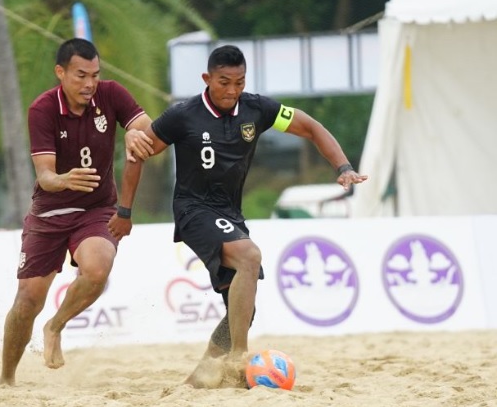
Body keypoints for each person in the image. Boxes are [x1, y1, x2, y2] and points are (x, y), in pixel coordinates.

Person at [109, 45, 368, 388]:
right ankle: (239, 359)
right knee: (250, 256)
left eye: (239, 82)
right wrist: (125, 211)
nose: (232, 91)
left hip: (230, 214)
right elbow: (137, 152)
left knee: (242, 310)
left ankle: (201, 378)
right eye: (224, 82)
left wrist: (343, 166)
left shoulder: (257, 108)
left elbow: (310, 127)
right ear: (207, 79)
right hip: (193, 209)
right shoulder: (183, 115)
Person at [0, 38, 152, 386]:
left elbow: (148, 128)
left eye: (94, 75)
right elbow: (45, 177)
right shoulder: (42, 109)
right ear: (60, 72)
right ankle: (6, 379)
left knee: (97, 268)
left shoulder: (111, 95)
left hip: (97, 209)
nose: (89, 84)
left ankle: (56, 326)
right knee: (27, 301)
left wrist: (134, 135)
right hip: (49, 212)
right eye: (81, 75)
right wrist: (63, 178)